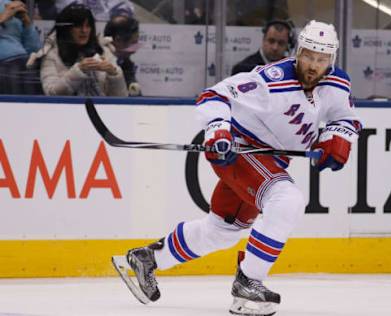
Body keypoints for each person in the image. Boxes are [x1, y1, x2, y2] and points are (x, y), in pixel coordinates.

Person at [114, 20, 362, 316]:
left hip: (271, 160)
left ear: (331, 60)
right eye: (308, 55)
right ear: (298, 51)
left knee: (223, 229)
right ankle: (249, 281)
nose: (313, 65)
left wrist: (337, 140)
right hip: (241, 151)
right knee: (287, 199)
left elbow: (344, 118)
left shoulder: (337, 83)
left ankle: (148, 258)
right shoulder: (271, 79)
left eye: (321, 59)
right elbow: (213, 96)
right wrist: (219, 130)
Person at [37, 3, 127, 96]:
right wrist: (78, 71)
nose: (84, 30)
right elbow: (51, 93)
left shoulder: (103, 51)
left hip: (101, 109)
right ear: (66, 29)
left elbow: (121, 98)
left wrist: (113, 74)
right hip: (67, 110)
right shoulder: (52, 55)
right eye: (78, 26)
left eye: (88, 26)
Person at [0, 0, 41, 94]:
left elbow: (35, 49)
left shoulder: (11, 5)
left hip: (23, 62)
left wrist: (26, 22)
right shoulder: (8, 8)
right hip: (5, 65)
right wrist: (3, 17)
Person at [103, 14, 142, 96]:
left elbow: (134, 96)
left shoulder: (126, 64)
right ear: (118, 40)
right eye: (133, 43)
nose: (135, 49)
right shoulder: (99, 64)